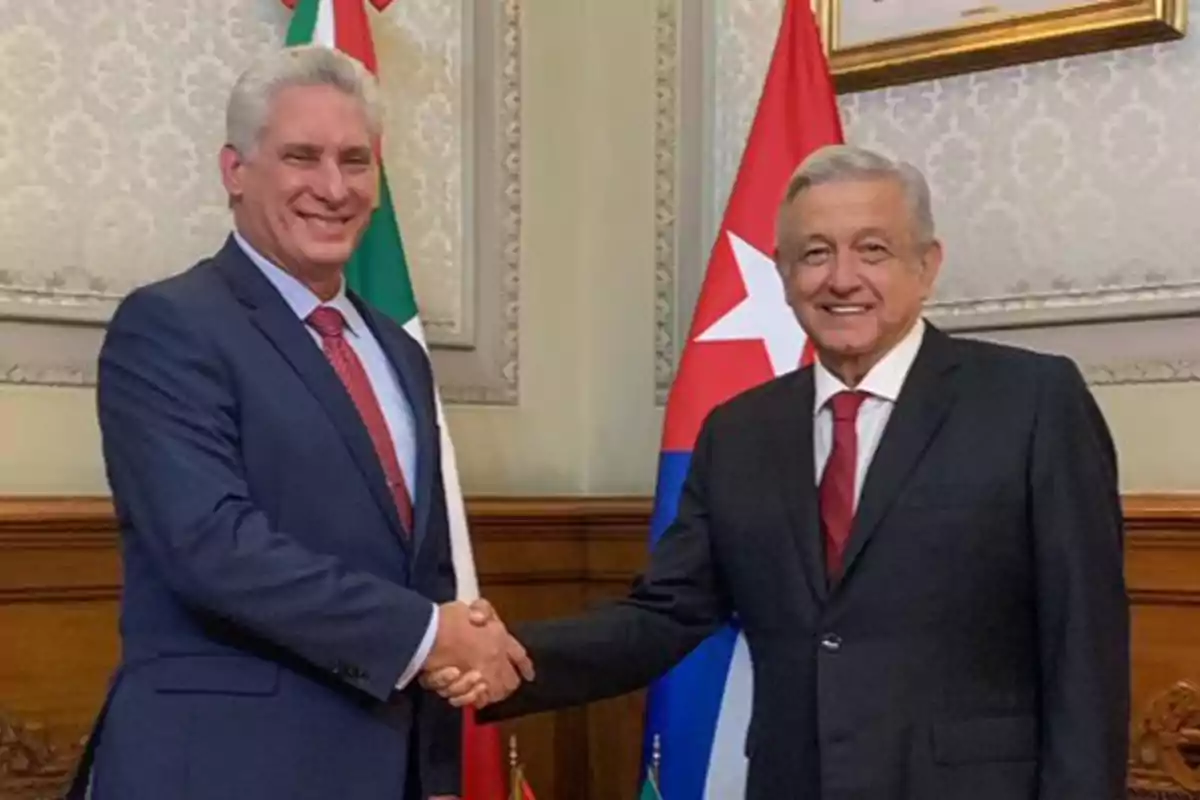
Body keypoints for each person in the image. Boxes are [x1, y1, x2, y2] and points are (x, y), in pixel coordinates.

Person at [430, 145, 1131, 799]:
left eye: (873, 250)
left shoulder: (1032, 402)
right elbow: (668, 613)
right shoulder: (740, 432)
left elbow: (1085, 648)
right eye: (815, 254)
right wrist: (508, 655)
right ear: (784, 273)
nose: (842, 278)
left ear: (927, 265)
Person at [67, 45, 529, 800]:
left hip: (385, 767)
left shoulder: (396, 352)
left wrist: (437, 768)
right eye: (301, 157)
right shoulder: (169, 326)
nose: (333, 187)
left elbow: (425, 571)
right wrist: (426, 635)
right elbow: (211, 547)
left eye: (355, 160)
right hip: (222, 769)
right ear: (234, 171)